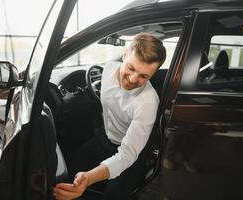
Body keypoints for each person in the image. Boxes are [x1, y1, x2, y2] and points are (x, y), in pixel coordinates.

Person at [54, 32, 166, 200]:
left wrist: (89, 177)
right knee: (64, 172)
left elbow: (127, 155)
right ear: (125, 55)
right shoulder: (108, 69)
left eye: (144, 76)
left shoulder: (148, 102)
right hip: (104, 137)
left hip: (130, 152)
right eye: (131, 67)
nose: (133, 79)